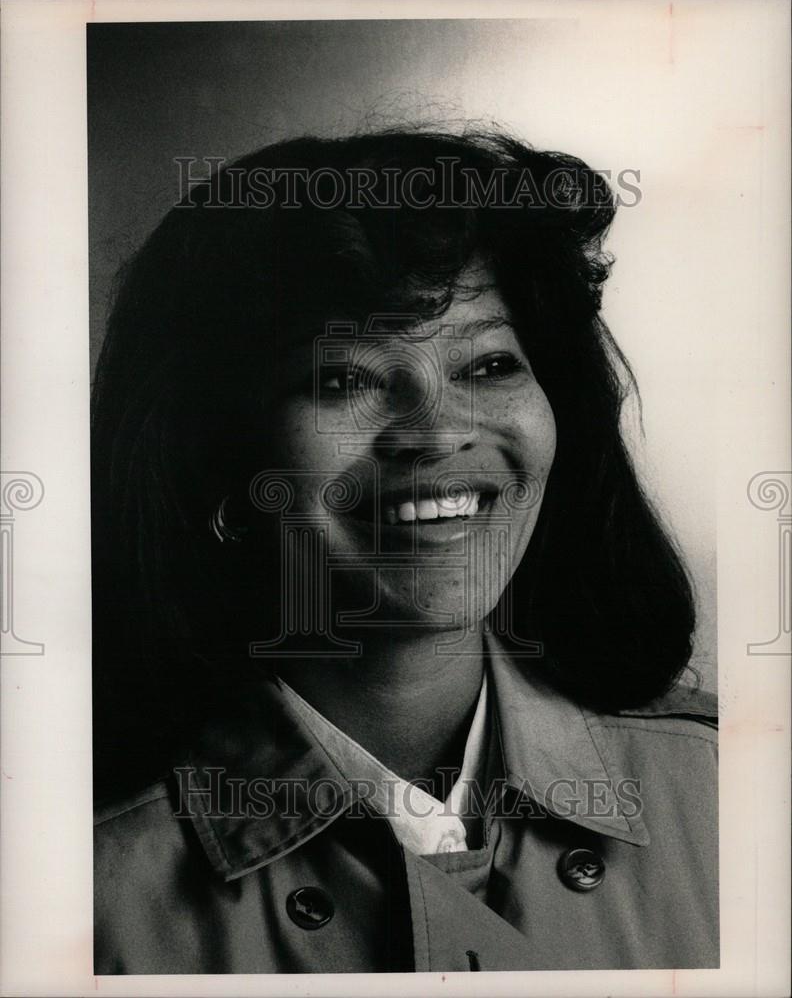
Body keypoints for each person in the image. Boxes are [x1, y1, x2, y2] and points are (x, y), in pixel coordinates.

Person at [92, 129, 718, 974]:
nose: (436, 432)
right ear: (215, 453)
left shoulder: (731, 794)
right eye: (343, 378)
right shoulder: (75, 876)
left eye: (489, 364)